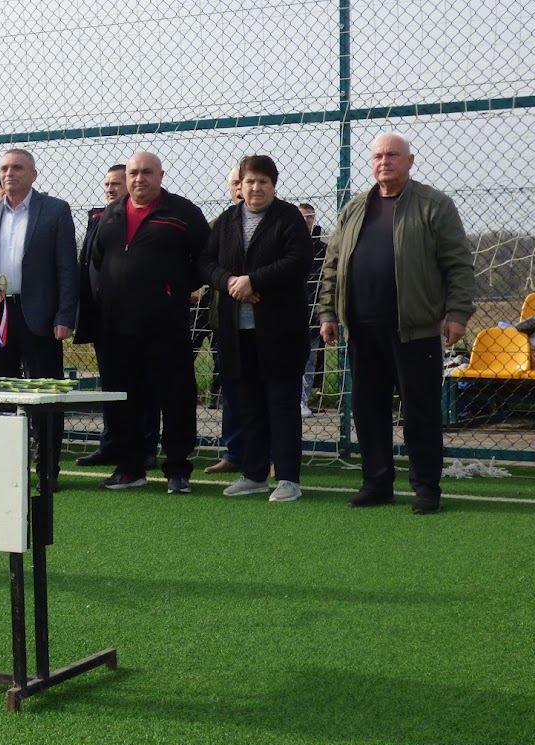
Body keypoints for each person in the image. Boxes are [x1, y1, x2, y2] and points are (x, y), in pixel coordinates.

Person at [318, 133, 475, 514]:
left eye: (392, 155)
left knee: (420, 412)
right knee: (368, 411)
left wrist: (457, 314)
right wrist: (328, 313)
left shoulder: (434, 205)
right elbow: (333, 265)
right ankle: (377, 483)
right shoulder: (355, 208)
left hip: (415, 330)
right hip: (362, 328)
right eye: (377, 156)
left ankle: (426, 488)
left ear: (410, 160)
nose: (384, 161)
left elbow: (458, 264)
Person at [90, 150, 210, 494]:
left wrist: (174, 288)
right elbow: (97, 259)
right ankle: (130, 467)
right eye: (133, 173)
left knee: (175, 397)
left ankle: (177, 469)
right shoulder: (111, 214)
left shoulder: (183, 212)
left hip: (166, 323)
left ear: (160, 175)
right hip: (117, 327)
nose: (139, 179)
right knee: (124, 399)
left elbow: (205, 258)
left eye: (146, 172)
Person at [200, 155, 312, 502]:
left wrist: (254, 280)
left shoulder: (288, 218)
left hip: (280, 332)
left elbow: (299, 261)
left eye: (263, 181)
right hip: (236, 332)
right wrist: (230, 282)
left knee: (281, 405)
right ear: (240, 184)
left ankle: (288, 479)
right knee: (248, 406)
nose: (256, 187)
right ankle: (254, 474)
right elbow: (206, 262)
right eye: (250, 181)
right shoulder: (228, 220)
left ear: (273, 185)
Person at [0, 148, 78, 489]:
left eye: (17, 167)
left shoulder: (55, 210)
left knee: (45, 395)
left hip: (41, 318)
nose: (9, 173)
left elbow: (67, 267)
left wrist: (65, 315)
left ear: (33, 174)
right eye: (4, 168)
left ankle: (47, 470)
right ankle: (6, 468)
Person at [73, 163, 160, 470]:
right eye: (107, 184)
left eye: (116, 183)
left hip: (139, 318)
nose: (110, 189)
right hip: (103, 316)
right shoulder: (100, 218)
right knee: (112, 384)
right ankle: (111, 444)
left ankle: (146, 447)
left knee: (145, 384)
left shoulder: (144, 220)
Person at [203, 164, 247, 475]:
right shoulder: (219, 224)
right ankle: (235, 453)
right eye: (235, 183)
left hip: (267, 323)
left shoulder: (280, 220)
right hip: (227, 322)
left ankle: (273, 454)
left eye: (246, 181)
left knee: (268, 391)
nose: (241, 189)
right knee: (231, 388)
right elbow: (205, 264)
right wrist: (228, 282)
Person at [298, 202, 328, 416]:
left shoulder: (322, 249)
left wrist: (323, 307)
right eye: (302, 216)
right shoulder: (286, 243)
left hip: (314, 311)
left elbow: (328, 280)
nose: (306, 220)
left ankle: (303, 399)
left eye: (310, 216)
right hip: (291, 310)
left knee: (311, 358)